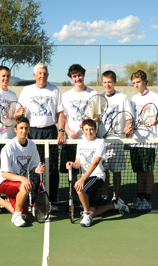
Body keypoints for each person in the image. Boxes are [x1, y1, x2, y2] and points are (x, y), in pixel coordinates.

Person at [17, 62, 65, 211]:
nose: (42, 76)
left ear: (47, 75)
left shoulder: (54, 90)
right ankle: (36, 200)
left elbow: (60, 113)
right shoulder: (26, 90)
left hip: (50, 132)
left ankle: (53, 201)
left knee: (51, 168)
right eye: (40, 73)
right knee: (34, 168)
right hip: (32, 133)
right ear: (34, 75)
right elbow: (18, 112)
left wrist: (61, 130)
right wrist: (17, 115)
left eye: (44, 73)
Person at [0, 116, 45, 227]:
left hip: (17, 184)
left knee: (26, 216)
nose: (24, 131)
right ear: (15, 129)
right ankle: (16, 216)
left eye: (26, 128)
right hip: (3, 183)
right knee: (24, 186)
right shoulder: (8, 148)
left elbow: (33, 165)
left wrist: (38, 169)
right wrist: (22, 179)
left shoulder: (32, 145)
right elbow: (4, 173)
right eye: (21, 128)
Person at [66, 119, 119, 227]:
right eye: (86, 129)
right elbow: (78, 163)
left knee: (80, 188)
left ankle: (86, 215)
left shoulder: (100, 143)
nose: (89, 132)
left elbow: (95, 163)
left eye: (91, 129)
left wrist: (82, 179)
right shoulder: (80, 144)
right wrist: (71, 164)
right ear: (82, 130)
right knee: (93, 212)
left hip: (97, 176)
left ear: (95, 130)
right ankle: (115, 205)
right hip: (87, 178)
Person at [128, 70, 158, 210]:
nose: (136, 85)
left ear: (145, 81)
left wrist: (156, 121)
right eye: (134, 83)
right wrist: (129, 128)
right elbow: (131, 119)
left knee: (147, 170)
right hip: (135, 140)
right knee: (139, 171)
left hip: (149, 140)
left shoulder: (155, 97)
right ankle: (140, 197)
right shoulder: (133, 99)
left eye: (138, 82)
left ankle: (147, 200)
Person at [95, 70, 132, 213]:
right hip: (101, 141)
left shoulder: (122, 98)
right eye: (104, 82)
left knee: (116, 171)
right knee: (103, 171)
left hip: (117, 140)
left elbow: (129, 117)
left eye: (110, 82)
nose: (107, 85)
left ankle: (116, 197)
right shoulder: (99, 98)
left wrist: (129, 126)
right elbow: (94, 117)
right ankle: (104, 196)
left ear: (115, 82)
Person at [60, 64, 97, 205]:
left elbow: (96, 116)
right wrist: (68, 131)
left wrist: (89, 125)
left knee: (88, 168)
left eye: (79, 75)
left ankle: (87, 197)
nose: (77, 78)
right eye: (74, 76)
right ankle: (74, 197)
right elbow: (63, 116)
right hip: (72, 140)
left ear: (84, 75)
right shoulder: (67, 95)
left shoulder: (93, 94)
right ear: (71, 78)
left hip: (88, 140)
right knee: (73, 170)